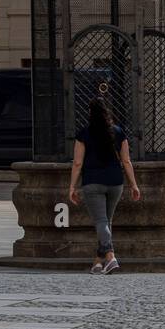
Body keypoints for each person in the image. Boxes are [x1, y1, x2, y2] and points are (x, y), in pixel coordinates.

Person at [70, 98, 140, 274]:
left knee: (101, 222)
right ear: (107, 113)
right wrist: (134, 184)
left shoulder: (84, 134)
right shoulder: (118, 132)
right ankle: (98, 263)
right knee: (106, 221)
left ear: (89, 114)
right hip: (115, 182)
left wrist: (72, 186)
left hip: (92, 182)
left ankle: (110, 257)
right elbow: (126, 160)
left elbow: (77, 163)